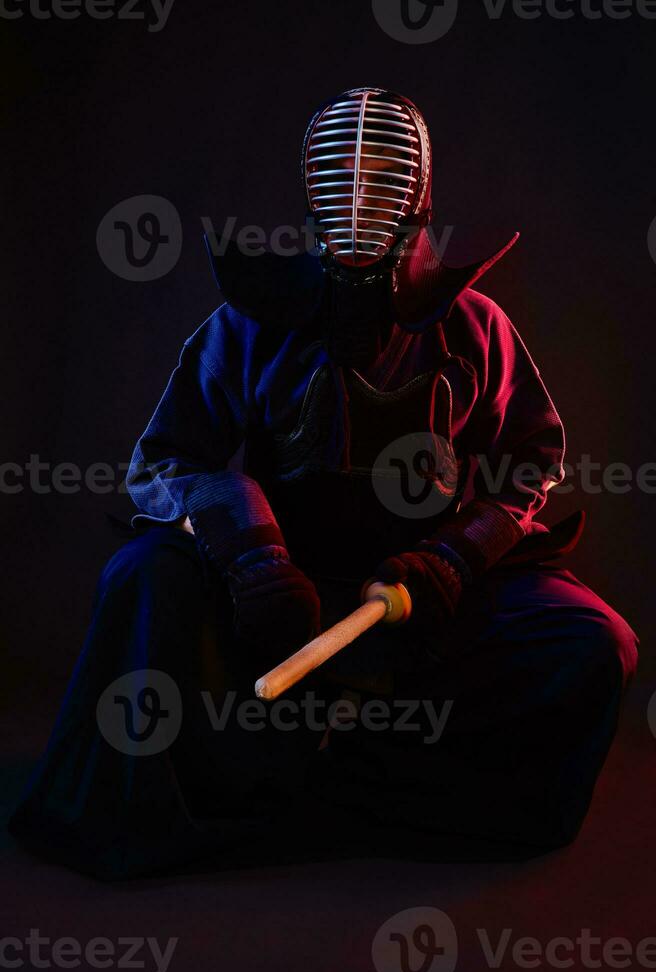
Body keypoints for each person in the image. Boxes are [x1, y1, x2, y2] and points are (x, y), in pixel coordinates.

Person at [10, 87, 638, 879]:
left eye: (379, 176)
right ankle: (197, 792)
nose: (355, 196)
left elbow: (530, 462)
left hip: (423, 595)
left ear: (416, 191)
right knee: (139, 576)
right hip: (276, 596)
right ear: (310, 186)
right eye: (337, 174)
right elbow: (164, 462)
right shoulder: (247, 323)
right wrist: (247, 545)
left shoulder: (475, 326)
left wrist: (455, 556)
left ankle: (383, 786)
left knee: (590, 642)